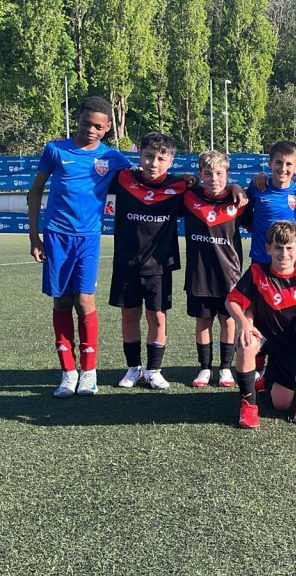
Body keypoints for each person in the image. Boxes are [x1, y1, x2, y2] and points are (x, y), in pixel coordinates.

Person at [27, 96, 132, 397]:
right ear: (78, 120)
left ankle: (88, 372)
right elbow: (35, 192)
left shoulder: (112, 158)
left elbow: (146, 180)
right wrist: (34, 237)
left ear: (108, 128)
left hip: (88, 238)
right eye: (87, 123)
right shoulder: (55, 149)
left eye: (98, 126)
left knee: (85, 301)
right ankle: (67, 372)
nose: (91, 130)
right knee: (61, 301)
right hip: (56, 237)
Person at [106, 132, 188, 390]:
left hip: (159, 266)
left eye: (161, 158)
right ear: (140, 155)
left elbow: (215, 189)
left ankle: (153, 370)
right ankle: (133, 368)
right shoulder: (123, 179)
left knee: (158, 318)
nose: (154, 163)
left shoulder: (180, 186)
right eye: (149, 156)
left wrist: (235, 188)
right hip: (126, 264)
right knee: (129, 316)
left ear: (171, 161)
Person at [226, 220, 296, 428]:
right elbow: (231, 301)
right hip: (263, 337)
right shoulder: (257, 272)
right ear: (268, 248)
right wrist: (243, 323)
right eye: (278, 247)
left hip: (289, 343)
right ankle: (248, 405)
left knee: (281, 404)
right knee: (246, 343)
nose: (284, 253)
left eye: (289, 248)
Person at [183, 150, 244, 388]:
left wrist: (237, 187)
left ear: (227, 174)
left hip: (229, 275)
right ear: (200, 174)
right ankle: (205, 368)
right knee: (203, 321)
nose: (214, 179)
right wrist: (184, 179)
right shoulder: (189, 196)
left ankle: (226, 368)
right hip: (199, 274)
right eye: (208, 173)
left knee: (227, 321)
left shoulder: (238, 201)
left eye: (219, 173)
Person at [242, 140, 296, 265]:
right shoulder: (258, 186)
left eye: (289, 164)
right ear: (270, 164)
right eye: (278, 162)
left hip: (287, 261)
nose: (283, 168)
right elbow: (244, 210)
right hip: (261, 259)